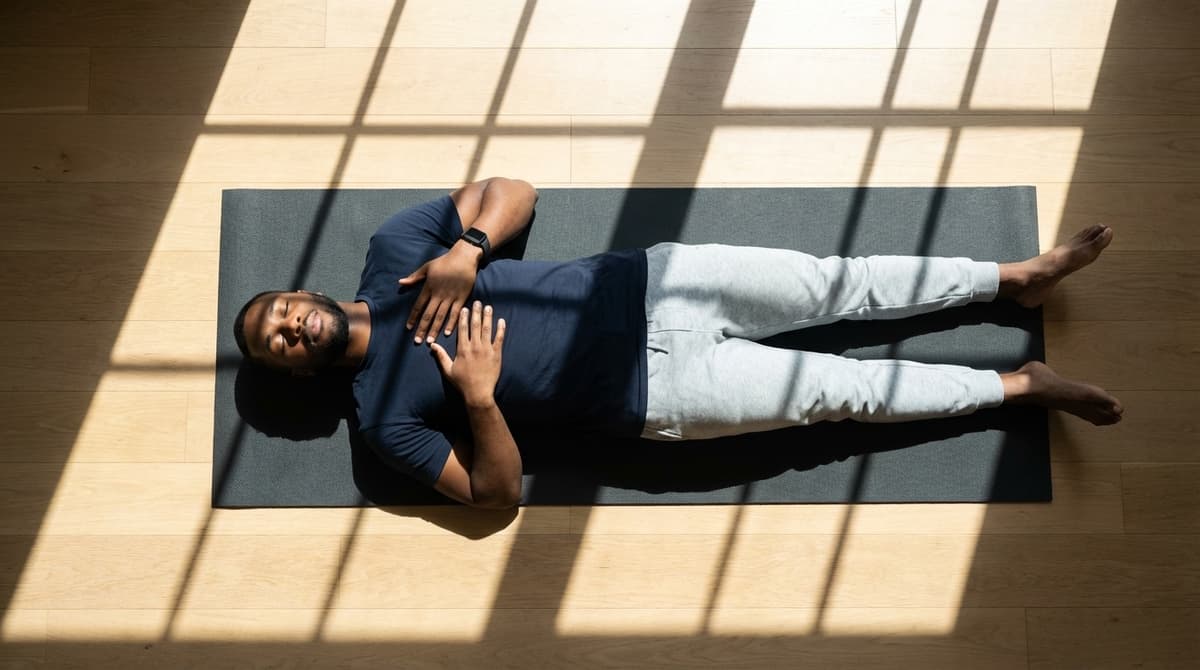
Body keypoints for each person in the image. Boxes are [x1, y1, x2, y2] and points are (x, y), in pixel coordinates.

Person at [233, 177, 1124, 509]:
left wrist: (466, 251)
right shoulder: (381, 422)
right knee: (838, 390)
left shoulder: (395, 252)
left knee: (839, 282)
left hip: (658, 280)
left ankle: (1016, 276)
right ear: (294, 367)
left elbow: (513, 190)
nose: (285, 329)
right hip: (663, 391)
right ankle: (1018, 387)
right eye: (275, 345)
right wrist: (476, 396)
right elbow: (493, 499)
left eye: (277, 311)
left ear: (302, 292)